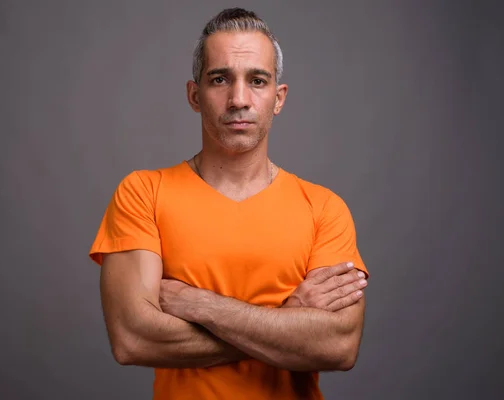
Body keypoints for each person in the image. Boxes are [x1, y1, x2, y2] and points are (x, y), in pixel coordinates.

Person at [89, 7, 369, 400]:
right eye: (220, 79)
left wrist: (198, 304)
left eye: (257, 80)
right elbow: (133, 339)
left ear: (278, 98)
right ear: (194, 95)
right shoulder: (143, 193)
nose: (239, 99)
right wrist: (287, 321)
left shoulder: (323, 208)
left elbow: (338, 347)